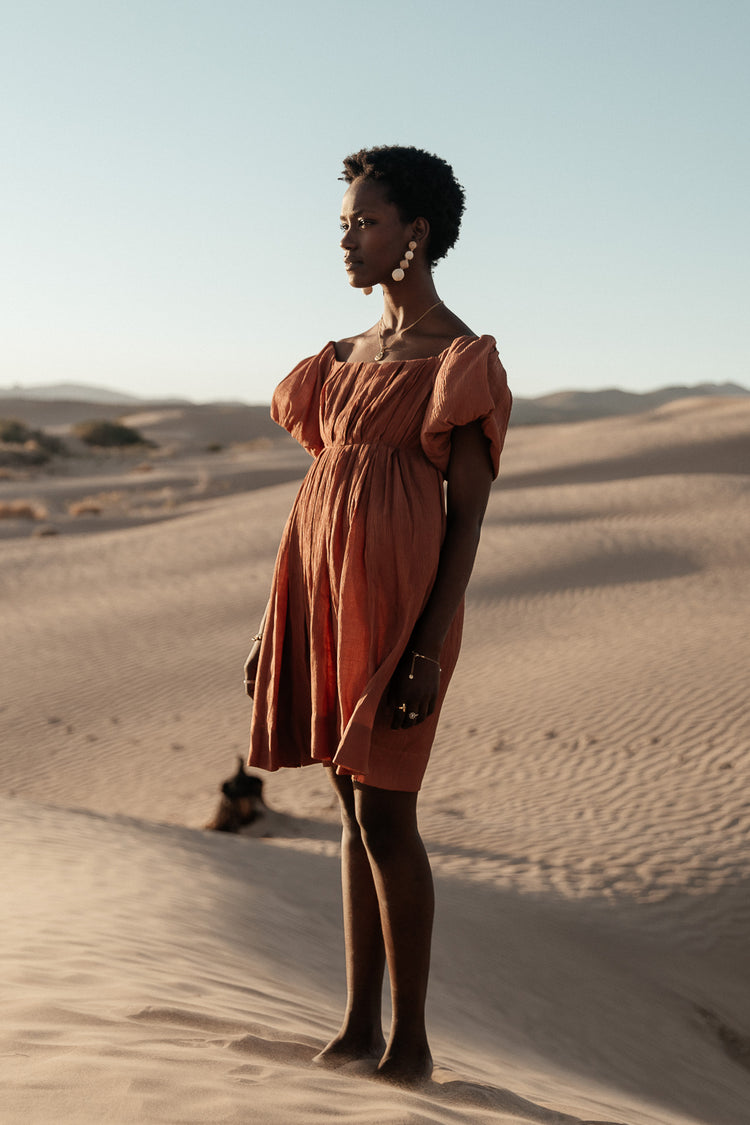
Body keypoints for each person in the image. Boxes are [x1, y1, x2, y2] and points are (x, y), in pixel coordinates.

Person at [244, 144, 512, 1087]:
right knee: (352, 810)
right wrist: (270, 628)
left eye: (365, 222)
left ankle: (414, 1045)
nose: (349, 240)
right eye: (345, 224)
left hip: (404, 610)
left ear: (416, 234)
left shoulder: (459, 359)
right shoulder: (340, 361)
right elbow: (322, 499)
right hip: (322, 595)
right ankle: (358, 1026)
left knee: (389, 814)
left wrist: (428, 650)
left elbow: (468, 515)